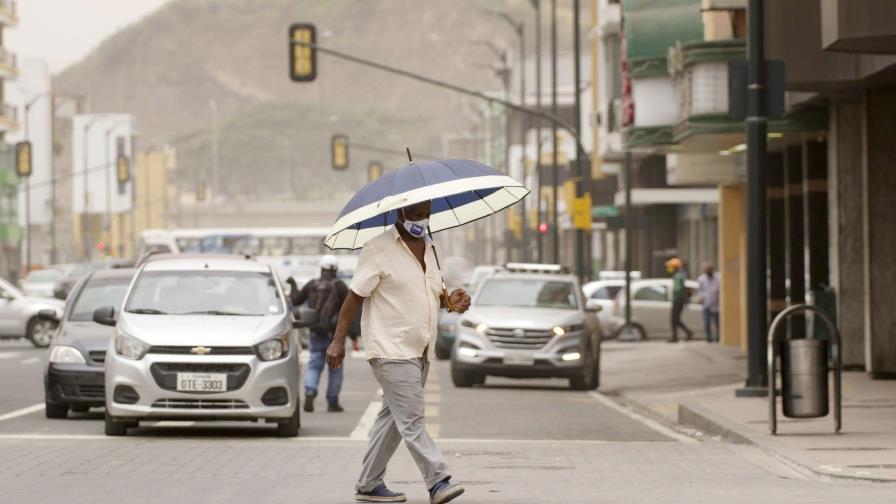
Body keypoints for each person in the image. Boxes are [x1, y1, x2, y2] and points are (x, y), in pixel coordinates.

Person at [326, 200, 471, 504]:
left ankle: (368, 483)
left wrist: (450, 300)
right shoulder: (377, 248)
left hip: (421, 347)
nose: (423, 220)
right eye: (417, 214)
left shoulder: (432, 248)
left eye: (427, 214)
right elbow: (354, 297)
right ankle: (438, 480)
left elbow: (432, 292)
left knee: (393, 418)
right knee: (413, 419)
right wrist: (338, 340)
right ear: (399, 213)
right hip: (391, 347)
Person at [287, 255, 348, 413]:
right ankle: (332, 402)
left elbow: (295, 301)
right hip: (335, 336)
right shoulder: (340, 286)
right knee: (335, 368)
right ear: (335, 269)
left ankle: (310, 391)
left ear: (321, 268)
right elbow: (349, 310)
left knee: (314, 366)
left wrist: (292, 284)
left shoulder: (312, 284)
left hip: (315, 333)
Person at [666, 257, 693, 343]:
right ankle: (678, 335)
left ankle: (682, 334)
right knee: (675, 319)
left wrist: (683, 300)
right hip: (677, 300)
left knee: (674, 319)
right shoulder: (678, 275)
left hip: (678, 300)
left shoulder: (679, 276)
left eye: (671, 267)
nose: (669, 269)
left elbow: (679, 289)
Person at [698, 262, 720, 343]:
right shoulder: (701, 279)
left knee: (718, 323)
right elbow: (700, 290)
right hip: (706, 304)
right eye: (706, 270)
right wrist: (701, 298)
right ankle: (709, 338)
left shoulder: (719, 277)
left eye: (709, 269)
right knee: (707, 323)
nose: (708, 271)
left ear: (712, 269)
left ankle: (718, 337)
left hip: (717, 304)